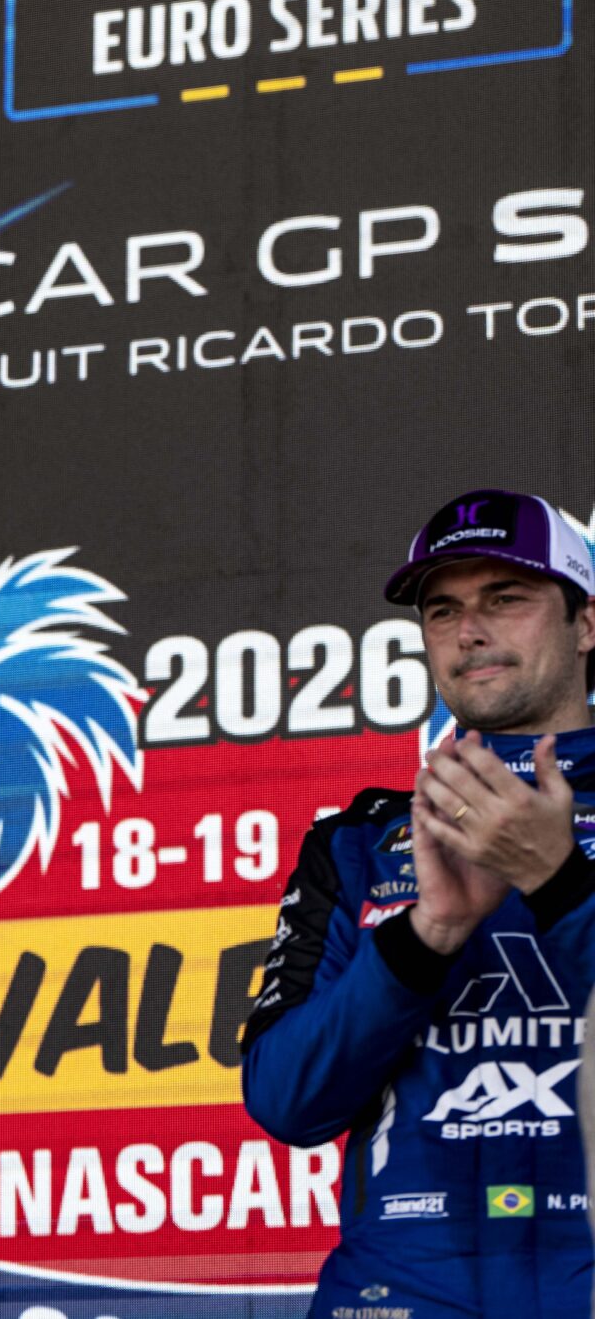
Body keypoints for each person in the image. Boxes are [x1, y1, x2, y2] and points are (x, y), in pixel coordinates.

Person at [242, 489, 595, 1319]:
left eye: (506, 599)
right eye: (444, 609)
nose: (470, 629)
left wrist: (559, 881)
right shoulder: (360, 843)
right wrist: (425, 935)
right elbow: (287, 1099)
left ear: (586, 624)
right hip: (398, 1293)